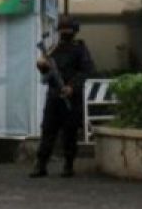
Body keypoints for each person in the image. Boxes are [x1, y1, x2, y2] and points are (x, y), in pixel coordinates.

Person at [30, 15, 94, 178]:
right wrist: (42, 66)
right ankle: (41, 164)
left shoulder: (80, 49)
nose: (64, 33)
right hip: (54, 96)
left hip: (71, 98)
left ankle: (68, 164)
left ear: (74, 31)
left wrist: (72, 87)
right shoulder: (53, 49)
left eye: (68, 30)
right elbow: (47, 73)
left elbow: (86, 71)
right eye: (62, 30)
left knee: (70, 132)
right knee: (47, 130)